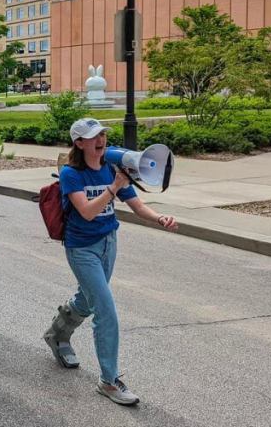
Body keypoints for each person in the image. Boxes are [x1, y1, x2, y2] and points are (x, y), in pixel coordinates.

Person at [43, 118, 179, 406]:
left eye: (103, 134)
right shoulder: (71, 174)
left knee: (89, 300)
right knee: (106, 311)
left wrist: (159, 218)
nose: (101, 139)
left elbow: (137, 205)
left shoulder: (111, 168)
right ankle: (109, 380)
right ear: (80, 143)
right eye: (94, 136)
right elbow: (88, 212)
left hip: (108, 244)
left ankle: (57, 335)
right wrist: (114, 186)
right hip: (82, 249)